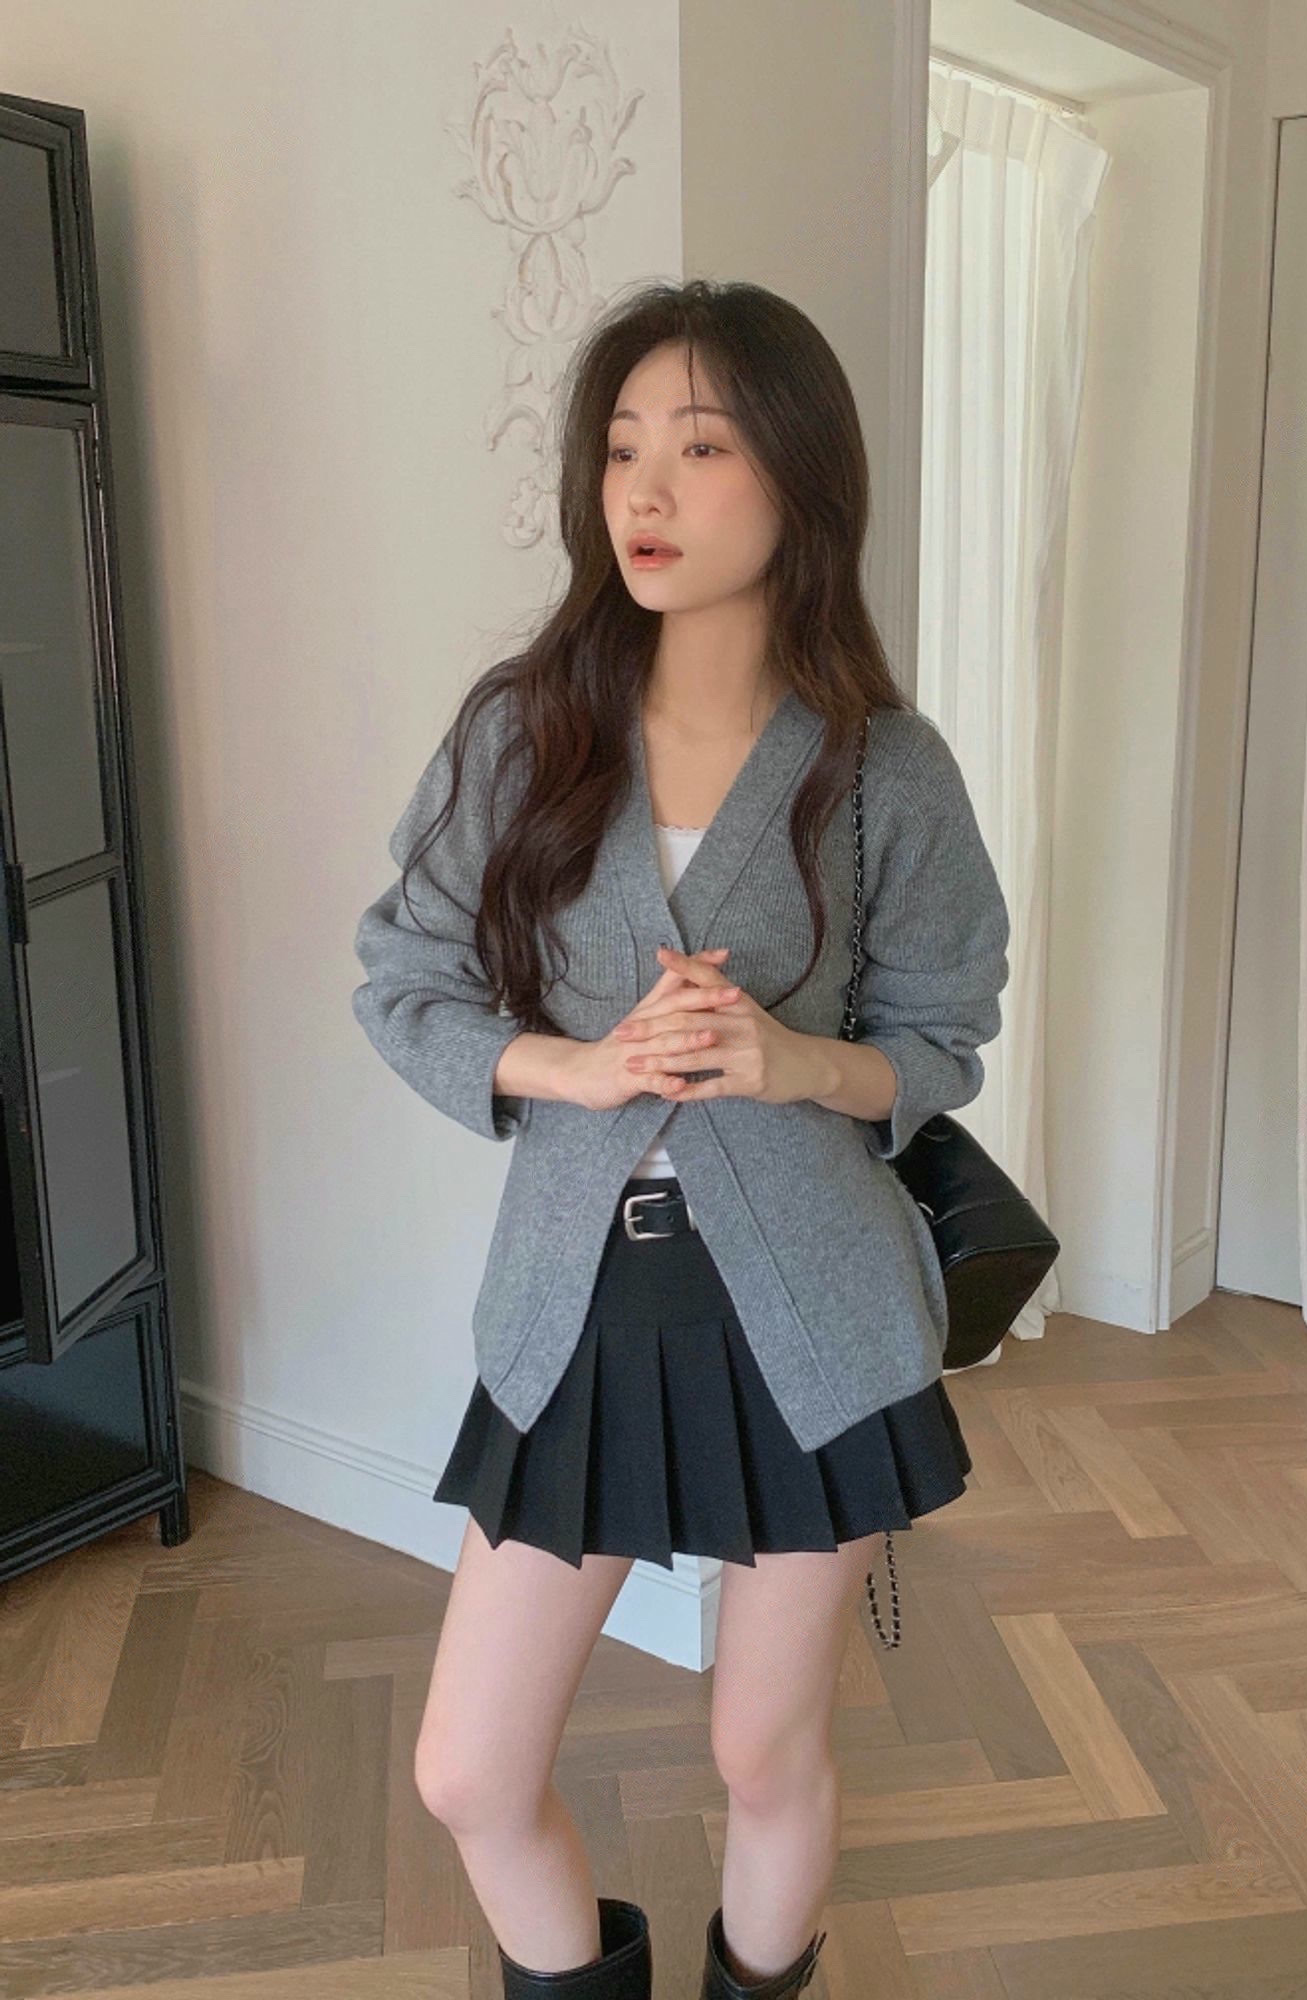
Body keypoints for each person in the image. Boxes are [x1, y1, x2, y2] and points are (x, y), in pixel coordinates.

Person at [351, 278, 1010, 2000]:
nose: (643, 490)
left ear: (800, 480)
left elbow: (942, 1035)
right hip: (577, 1307)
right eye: (623, 448)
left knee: (762, 1754)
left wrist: (795, 1063)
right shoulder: (525, 730)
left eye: (701, 449)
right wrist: (569, 1071)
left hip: (816, 1315)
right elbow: (405, 979)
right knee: (469, 1769)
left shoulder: (883, 769)